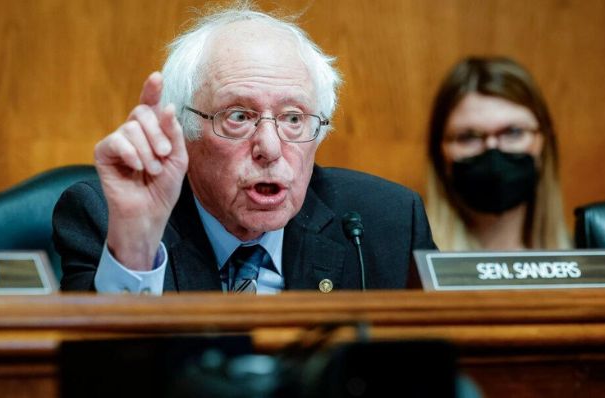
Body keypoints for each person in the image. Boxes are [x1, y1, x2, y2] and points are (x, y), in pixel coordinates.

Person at [52, 4, 436, 294]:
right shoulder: (106, 220)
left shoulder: (389, 224)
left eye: (293, 118)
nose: (269, 148)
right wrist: (137, 245)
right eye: (238, 116)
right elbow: (103, 376)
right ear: (183, 131)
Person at [425, 56, 570, 250]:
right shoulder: (410, 273)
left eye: (513, 132)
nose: (492, 151)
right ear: (439, 152)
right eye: (468, 137)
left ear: (544, 143)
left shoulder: (589, 265)